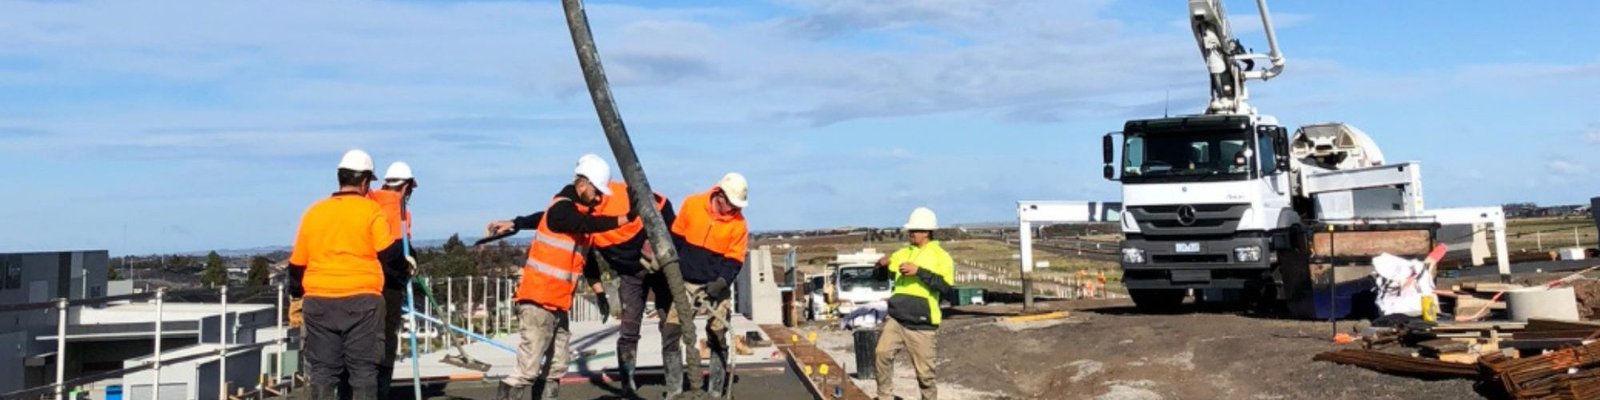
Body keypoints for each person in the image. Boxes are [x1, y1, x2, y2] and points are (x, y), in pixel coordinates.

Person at [488, 154, 627, 400]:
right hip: (538, 300)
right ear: (582, 185)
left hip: (559, 303)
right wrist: (624, 219)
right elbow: (573, 221)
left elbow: (587, 260)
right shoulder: (563, 210)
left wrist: (599, 292)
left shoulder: (575, 216)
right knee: (527, 369)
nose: (598, 198)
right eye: (596, 192)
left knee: (556, 366)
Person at [288, 149, 394, 400]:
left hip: (319, 301)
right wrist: (403, 270)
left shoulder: (314, 212)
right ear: (365, 181)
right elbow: (389, 256)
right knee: (364, 372)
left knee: (323, 372)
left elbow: (296, 266)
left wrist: (296, 297)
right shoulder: (371, 211)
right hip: (363, 301)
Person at [664, 172, 749, 397]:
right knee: (671, 332)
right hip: (687, 282)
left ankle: (715, 390)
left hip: (716, 285)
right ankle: (674, 389)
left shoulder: (738, 225)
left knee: (718, 334)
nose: (733, 210)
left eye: (737, 207)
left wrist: (721, 283)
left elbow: (735, 259)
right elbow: (676, 240)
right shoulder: (692, 205)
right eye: (731, 205)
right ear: (719, 195)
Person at [588, 181, 675, 394]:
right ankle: (628, 384)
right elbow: (587, 259)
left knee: (671, 324)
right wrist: (599, 292)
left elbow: (664, 206)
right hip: (629, 274)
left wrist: (660, 242)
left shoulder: (624, 193)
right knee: (629, 328)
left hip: (658, 267)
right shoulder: (584, 216)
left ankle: (674, 382)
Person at [873, 207, 955, 400]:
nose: (911, 234)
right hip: (898, 318)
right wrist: (881, 266)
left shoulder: (941, 257)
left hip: (922, 323)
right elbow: (879, 277)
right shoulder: (902, 253)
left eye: (915, 230)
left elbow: (947, 289)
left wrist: (919, 271)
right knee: (882, 353)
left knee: (925, 375)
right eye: (910, 230)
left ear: (926, 232)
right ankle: (884, 396)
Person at [368, 161, 417, 398]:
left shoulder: (370, 201)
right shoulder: (395, 208)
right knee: (386, 341)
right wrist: (406, 268)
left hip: (363, 283)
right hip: (387, 285)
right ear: (406, 186)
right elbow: (393, 252)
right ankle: (380, 391)